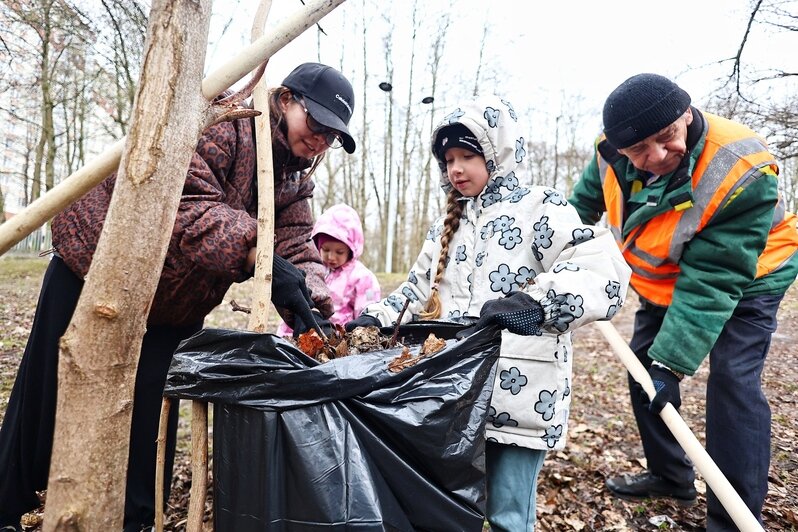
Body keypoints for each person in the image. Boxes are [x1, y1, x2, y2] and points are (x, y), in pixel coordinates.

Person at [0, 62, 357, 532]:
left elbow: (297, 246)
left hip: (174, 306)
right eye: (317, 124)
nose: (320, 141)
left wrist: (312, 303)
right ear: (286, 99)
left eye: (332, 136)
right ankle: (12, 512)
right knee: (49, 400)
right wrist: (258, 255)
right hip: (96, 269)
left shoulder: (292, 178)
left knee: (149, 423)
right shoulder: (224, 120)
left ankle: (134, 521)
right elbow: (183, 202)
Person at [345, 95, 631, 531]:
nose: (456, 169)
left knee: (507, 516)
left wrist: (536, 303)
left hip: (519, 394)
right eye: (448, 160)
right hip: (452, 396)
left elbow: (602, 272)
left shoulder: (542, 208)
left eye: (467, 156)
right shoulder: (448, 225)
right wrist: (378, 316)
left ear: (498, 152)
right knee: (447, 508)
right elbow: (417, 290)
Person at [568, 73, 798, 530]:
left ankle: (734, 517)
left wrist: (671, 365)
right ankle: (671, 476)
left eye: (667, 136)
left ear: (687, 115)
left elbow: (714, 278)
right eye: (639, 150)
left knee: (732, 382)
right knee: (643, 371)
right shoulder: (609, 152)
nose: (656, 156)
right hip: (665, 278)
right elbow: (578, 209)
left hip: (751, 273)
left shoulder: (741, 167)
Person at [277, 203, 380, 336]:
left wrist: (357, 335)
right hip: (305, 335)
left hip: (339, 339)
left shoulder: (362, 278)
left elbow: (366, 314)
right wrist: (285, 336)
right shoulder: (311, 269)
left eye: (339, 252)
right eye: (325, 250)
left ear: (351, 249)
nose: (331, 257)